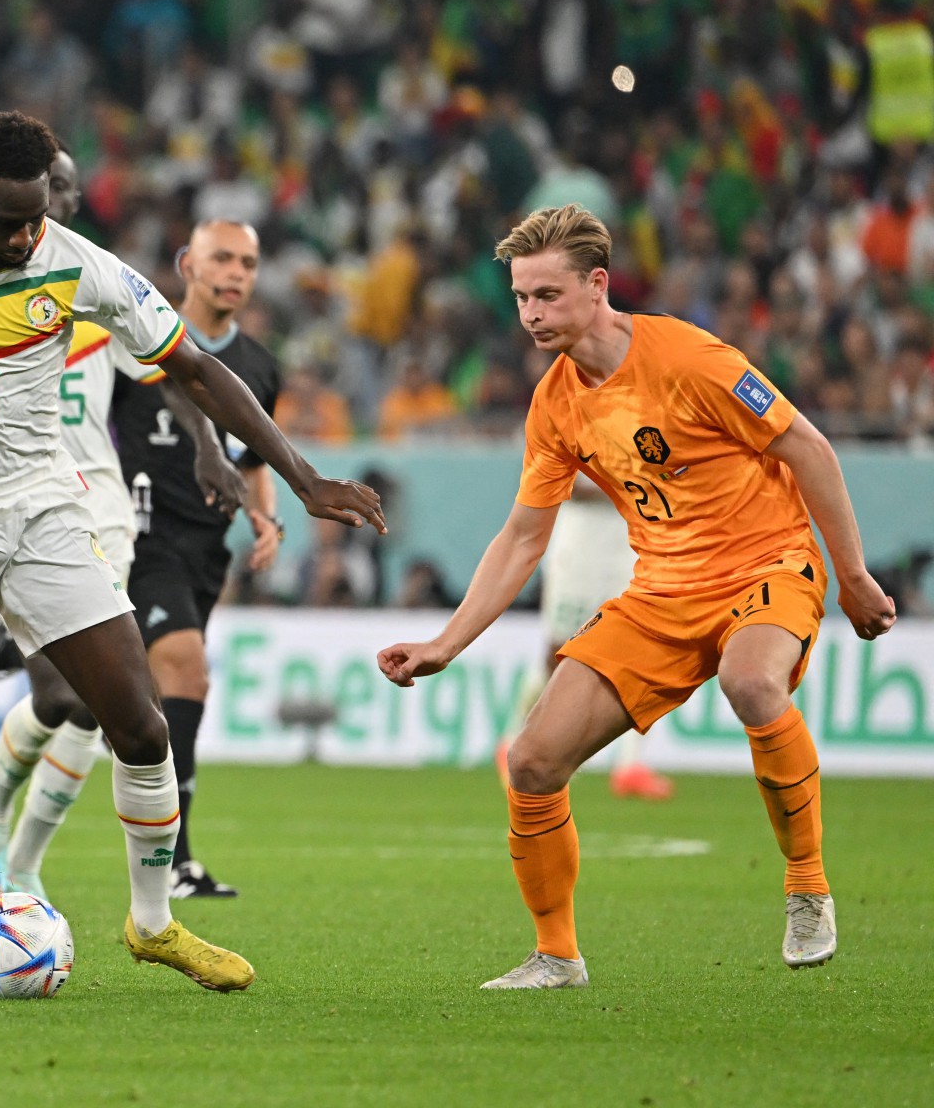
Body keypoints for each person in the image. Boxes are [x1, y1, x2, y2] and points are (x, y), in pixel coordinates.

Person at [0, 111, 385, 996]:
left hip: (45, 509)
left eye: (37, 215)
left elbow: (197, 369)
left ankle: (154, 923)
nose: (24, 236)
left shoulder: (77, 261)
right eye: (7, 219)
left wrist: (305, 476)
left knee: (141, 723)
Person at [378, 204, 897, 990]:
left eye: (547, 296)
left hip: (767, 563)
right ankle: (557, 955)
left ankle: (807, 887)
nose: (530, 315)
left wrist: (852, 574)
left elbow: (807, 446)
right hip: (662, 591)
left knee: (751, 681)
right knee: (532, 760)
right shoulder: (554, 403)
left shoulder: (689, 357)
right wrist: (446, 643)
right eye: (521, 298)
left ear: (597, 285)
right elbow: (522, 537)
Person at [0, 147, 244, 907]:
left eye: (75, 190)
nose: (69, 199)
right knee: (64, 699)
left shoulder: (92, 284)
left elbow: (170, 372)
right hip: (14, 507)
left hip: (101, 517)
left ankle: (19, 861)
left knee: (93, 710)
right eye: (55, 185)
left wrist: (210, 449)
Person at [111, 219, 284, 899]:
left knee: (135, 706)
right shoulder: (138, 343)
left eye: (248, 261)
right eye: (222, 258)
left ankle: (9, 807)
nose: (236, 272)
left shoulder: (263, 366)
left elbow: (255, 454)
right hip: (138, 539)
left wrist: (263, 516)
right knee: (187, 671)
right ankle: (176, 863)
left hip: (205, 550)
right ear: (187, 263)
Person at [499, 477, 675, 801]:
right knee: (559, 651)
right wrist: (631, 486)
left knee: (640, 649)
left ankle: (629, 766)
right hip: (581, 546)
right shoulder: (571, 425)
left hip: (629, 543)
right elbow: (563, 482)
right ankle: (512, 739)